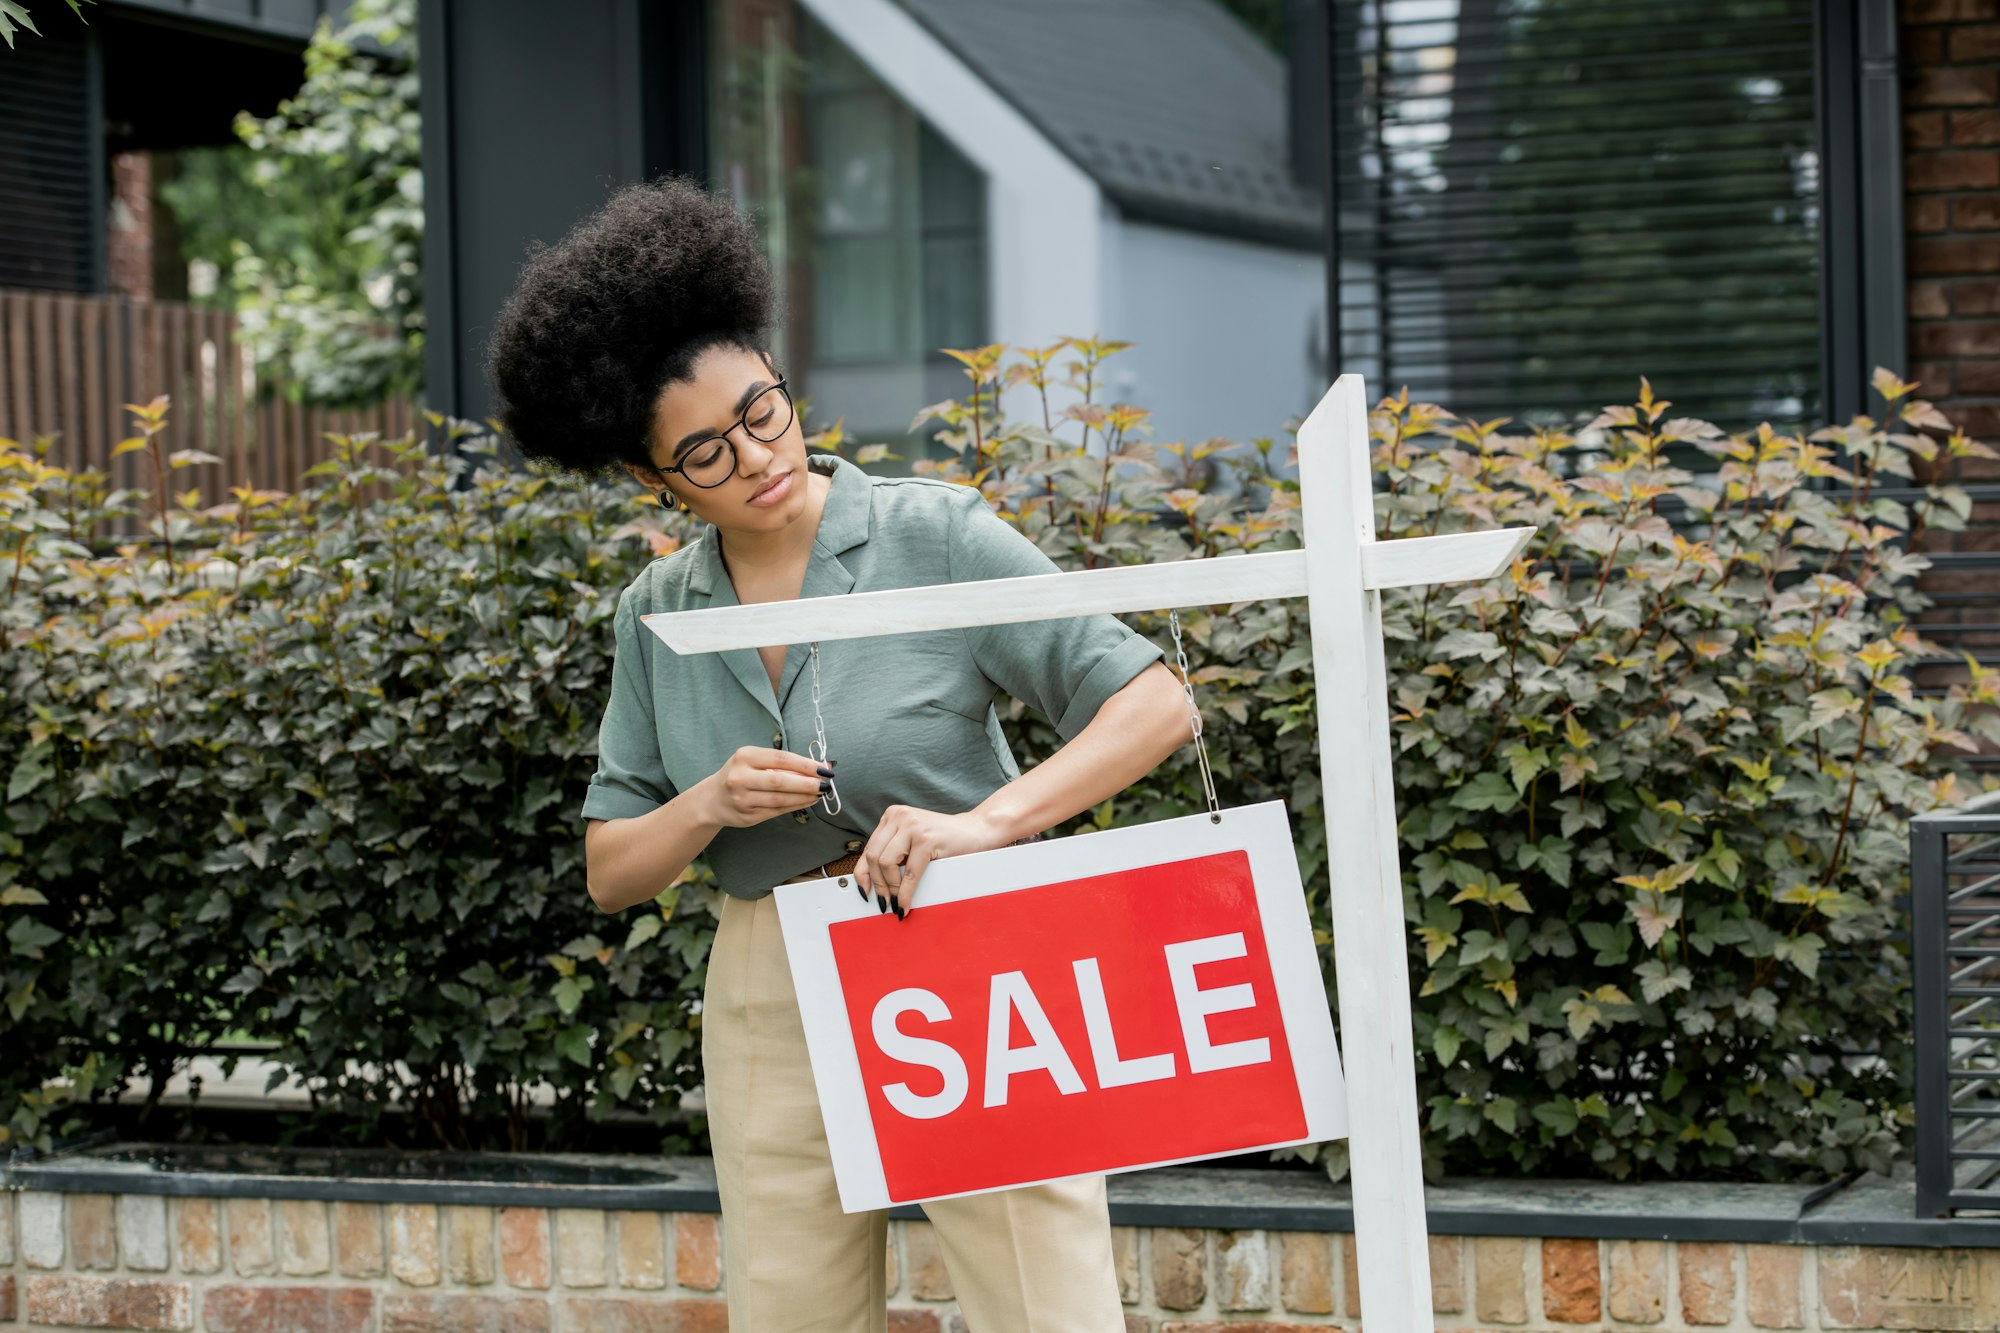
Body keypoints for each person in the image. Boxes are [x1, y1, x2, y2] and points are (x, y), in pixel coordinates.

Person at [486, 176, 1194, 1331]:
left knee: (1045, 1302)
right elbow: (612, 870)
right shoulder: (653, 611)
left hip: (968, 947)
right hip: (769, 975)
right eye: (705, 453)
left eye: (762, 411)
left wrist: (986, 824)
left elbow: (1154, 705)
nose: (757, 456)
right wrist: (709, 802)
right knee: (791, 1310)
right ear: (649, 479)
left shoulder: (935, 534)